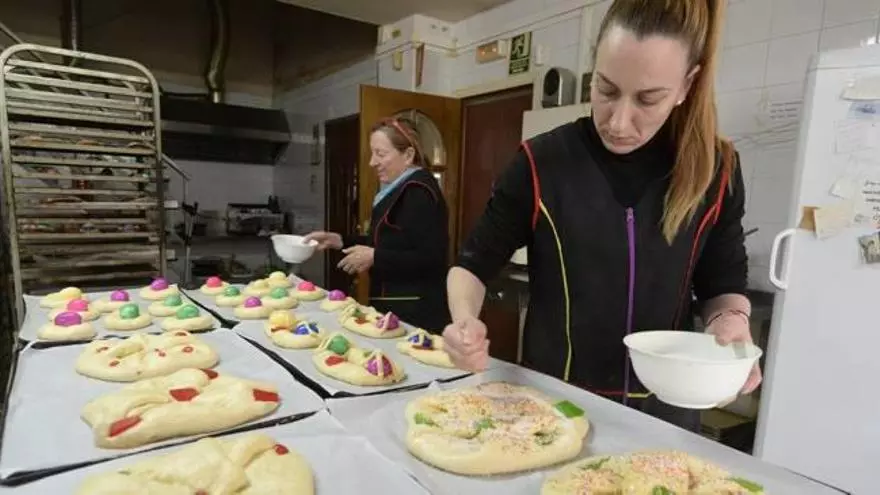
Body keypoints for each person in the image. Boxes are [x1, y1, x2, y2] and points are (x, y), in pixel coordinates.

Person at [442, 0, 761, 432]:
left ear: (687, 85)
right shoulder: (543, 162)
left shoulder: (716, 169)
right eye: (606, 90)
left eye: (648, 99)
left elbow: (723, 283)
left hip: (664, 416)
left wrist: (732, 324)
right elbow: (473, 264)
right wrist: (464, 321)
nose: (619, 122)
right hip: (553, 409)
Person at [305, 117, 451, 331]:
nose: (372, 162)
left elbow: (431, 257)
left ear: (408, 155)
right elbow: (388, 242)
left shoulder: (418, 192)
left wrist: (375, 257)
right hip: (395, 306)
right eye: (373, 153)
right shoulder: (397, 188)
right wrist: (339, 240)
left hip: (416, 312)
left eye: (380, 154)